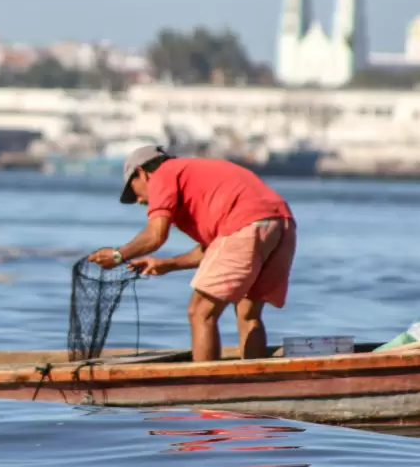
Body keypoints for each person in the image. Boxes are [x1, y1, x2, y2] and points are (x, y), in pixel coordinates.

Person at [88, 146, 296, 362]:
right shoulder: (193, 175)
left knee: (200, 312)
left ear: (141, 173)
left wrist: (118, 255)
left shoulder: (163, 174)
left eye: (134, 192)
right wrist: (170, 264)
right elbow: (216, 248)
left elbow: (155, 235)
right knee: (248, 314)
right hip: (281, 223)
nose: (139, 201)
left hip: (246, 225)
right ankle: (255, 382)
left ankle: (207, 387)